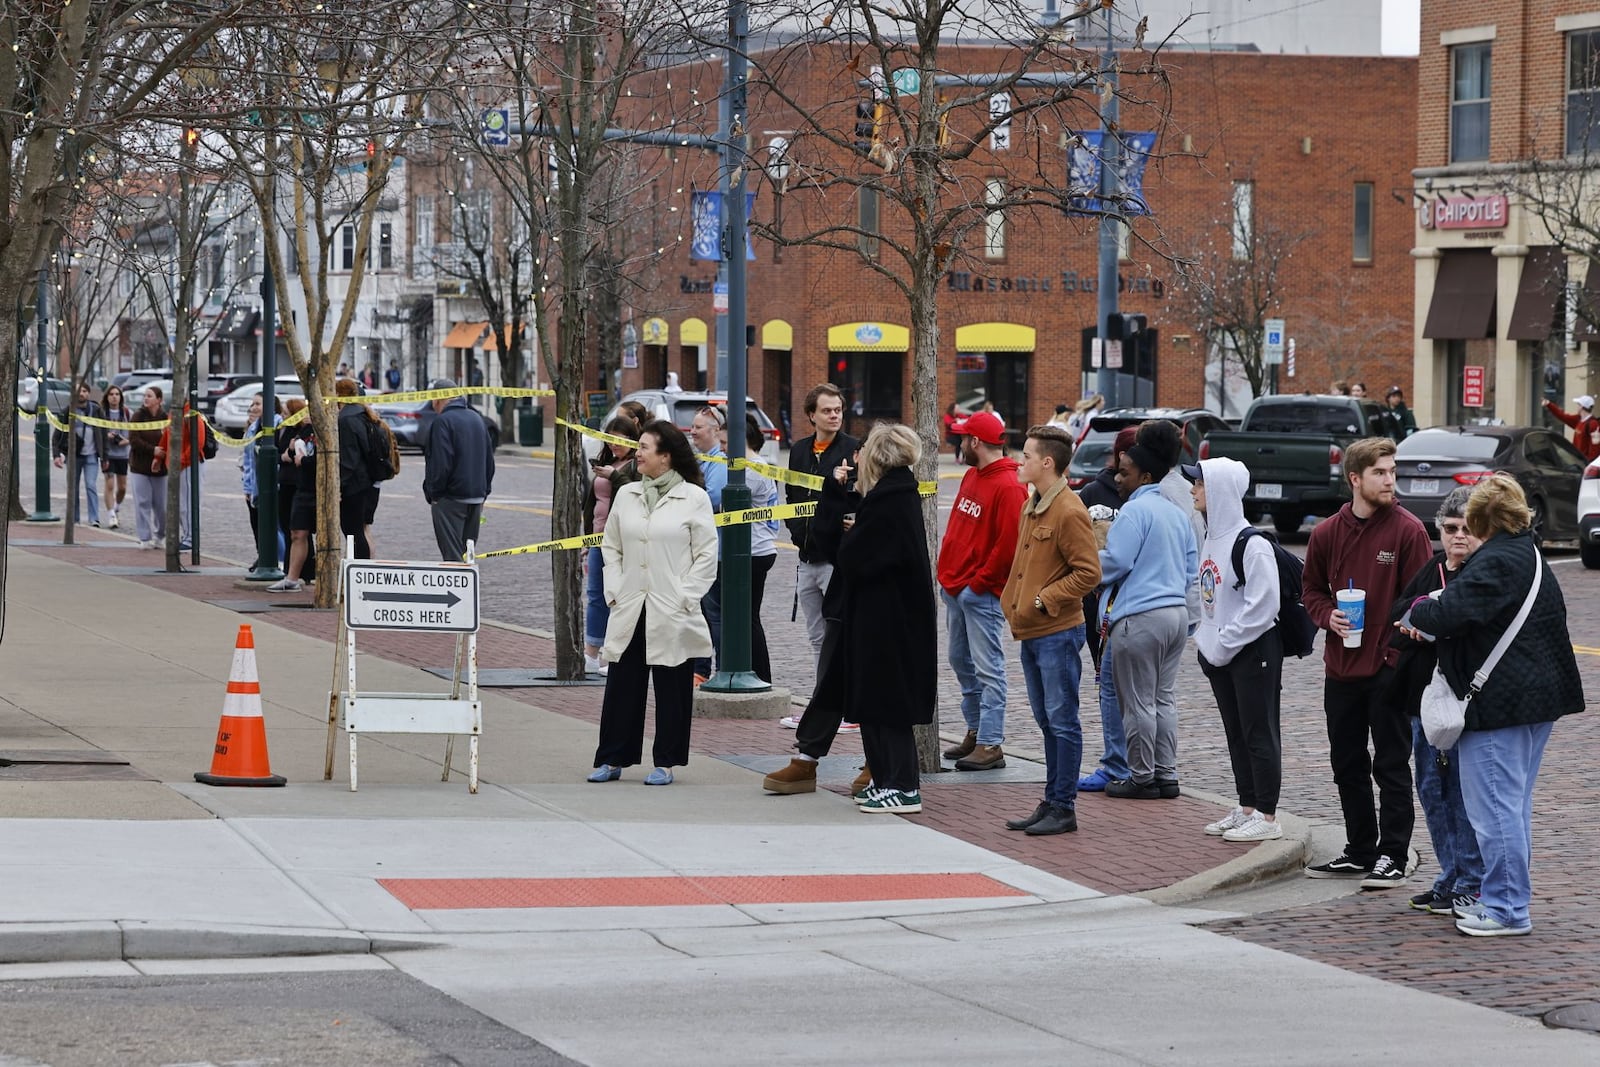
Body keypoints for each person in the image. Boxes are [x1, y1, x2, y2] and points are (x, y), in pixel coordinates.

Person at [1409, 474, 1585, 936]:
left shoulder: (1496, 560)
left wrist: (1419, 608)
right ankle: (1502, 897)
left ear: (1482, 519)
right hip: (1534, 698)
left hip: (1500, 704)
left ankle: (1507, 907)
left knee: (1494, 810)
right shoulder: (1527, 552)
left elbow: (1445, 614)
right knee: (1511, 805)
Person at [1301, 436, 1433, 888]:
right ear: (1355, 478)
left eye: (1393, 472)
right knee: (1347, 763)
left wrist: (1393, 660)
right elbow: (1312, 591)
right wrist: (1327, 616)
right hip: (1340, 668)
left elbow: (1421, 602)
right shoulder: (1325, 533)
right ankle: (1359, 849)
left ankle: (1393, 855)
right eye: (1380, 472)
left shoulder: (1409, 530)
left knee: (1391, 765)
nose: (1390, 480)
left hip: (1387, 670)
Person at [590, 420, 719, 786]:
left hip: (671, 605)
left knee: (672, 686)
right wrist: (614, 589)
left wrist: (686, 595)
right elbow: (611, 545)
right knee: (622, 684)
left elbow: (706, 554)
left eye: (645, 447)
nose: (638, 453)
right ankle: (612, 757)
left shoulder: (693, 497)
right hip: (631, 601)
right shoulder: (627, 493)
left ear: (666, 456)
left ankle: (666, 760)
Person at [999, 425, 1101, 836]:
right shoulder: (1034, 503)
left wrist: (1045, 599)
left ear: (1047, 462)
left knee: (1062, 721)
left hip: (1057, 632)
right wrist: (1016, 603)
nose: (1019, 462)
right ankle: (1052, 799)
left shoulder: (1069, 510)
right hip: (1033, 632)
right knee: (1046, 719)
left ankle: (1064, 805)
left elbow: (1089, 572)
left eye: (1025, 455)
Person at [1389, 486, 1485, 916]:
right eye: (1450, 528)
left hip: (1465, 701)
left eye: (1467, 529)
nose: (1458, 537)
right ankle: (1448, 874)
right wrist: (1417, 619)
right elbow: (1400, 609)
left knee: (1463, 792)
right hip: (1423, 699)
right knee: (1430, 787)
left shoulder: (1483, 572)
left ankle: (1471, 878)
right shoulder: (1432, 569)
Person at [835, 423, 936, 813]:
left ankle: (903, 784)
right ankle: (886, 777)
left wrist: (852, 538)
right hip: (887, 619)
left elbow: (857, 558)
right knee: (878, 704)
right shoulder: (894, 495)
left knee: (887, 704)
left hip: (888, 623)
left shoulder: (889, 500)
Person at [1188, 457, 1285, 842]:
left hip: (1252, 649)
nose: (1193, 490)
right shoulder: (1211, 535)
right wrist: (1207, 642)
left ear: (1219, 489)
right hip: (1221, 652)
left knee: (1259, 730)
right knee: (1236, 732)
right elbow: (1210, 596)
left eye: (1199, 483)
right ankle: (1247, 806)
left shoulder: (1253, 544)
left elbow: (1264, 605)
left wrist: (1224, 642)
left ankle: (1268, 815)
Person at [1097, 432, 1197, 800]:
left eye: (1124, 472)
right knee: (1163, 698)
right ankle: (1166, 773)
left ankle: (1141, 777)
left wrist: (1087, 568)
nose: (1118, 479)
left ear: (1146, 477)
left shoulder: (1134, 511)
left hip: (1139, 616)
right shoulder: (1175, 512)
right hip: (1175, 615)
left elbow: (1116, 561)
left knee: (1137, 701)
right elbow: (1190, 570)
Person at [937, 408, 1028, 771]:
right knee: (961, 661)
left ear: (976, 442)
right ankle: (975, 731)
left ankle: (991, 742)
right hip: (957, 587)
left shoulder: (1008, 486)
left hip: (979, 592)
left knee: (989, 669)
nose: (958, 443)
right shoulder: (973, 475)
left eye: (962, 437)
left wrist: (979, 584)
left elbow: (1008, 546)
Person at [783, 383, 858, 674]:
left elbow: (861, 495)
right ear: (811, 415)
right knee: (817, 637)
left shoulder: (852, 449)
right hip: (805, 557)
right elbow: (792, 495)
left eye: (838, 410)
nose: (834, 416)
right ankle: (822, 705)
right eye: (826, 411)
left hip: (836, 559)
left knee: (842, 633)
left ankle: (847, 706)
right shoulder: (799, 450)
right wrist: (795, 531)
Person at [1077, 426, 1136, 793]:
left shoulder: (1153, 498)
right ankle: (1118, 761)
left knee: (1140, 692)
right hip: (1098, 608)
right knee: (1108, 687)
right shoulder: (1092, 494)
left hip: (1139, 608)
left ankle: (1136, 764)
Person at [583, 416, 641, 674]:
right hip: (598, 539)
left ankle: (615, 653)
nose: (615, 445)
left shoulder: (636, 465)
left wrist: (615, 476)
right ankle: (591, 653)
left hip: (622, 542)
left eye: (621, 439)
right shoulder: (606, 461)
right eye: (611, 438)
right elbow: (591, 502)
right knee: (596, 595)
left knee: (619, 597)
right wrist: (586, 537)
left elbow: (637, 495)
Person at [423, 378, 495, 563]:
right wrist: (484, 491)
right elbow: (489, 461)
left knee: (453, 555)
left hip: (451, 497)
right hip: (476, 497)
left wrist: (434, 493)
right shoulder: (477, 419)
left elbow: (441, 464)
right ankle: (467, 589)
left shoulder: (443, 422)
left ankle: (456, 591)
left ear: (438, 399)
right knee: (467, 553)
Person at [688, 405, 728, 681]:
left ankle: (721, 669)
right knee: (699, 611)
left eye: (698, 427)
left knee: (714, 613)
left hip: (715, 551)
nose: (692, 431)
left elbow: (710, 499)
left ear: (715, 432)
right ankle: (700, 669)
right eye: (692, 426)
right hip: (699, 549)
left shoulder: (719, 463)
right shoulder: (702, 461)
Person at [742, 413, 781, 682]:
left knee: (748, 617)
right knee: (746, 615)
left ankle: (761, 675)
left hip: (755, 549)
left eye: (724, 442)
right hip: (759, 546)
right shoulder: (759, 464)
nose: (721, 448)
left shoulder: (752, 469)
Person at [269, 403, 317, 592]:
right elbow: (289, 451)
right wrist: (293, 452)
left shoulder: (329, 430)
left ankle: (320, 576)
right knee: (297, 532)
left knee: (322, 537)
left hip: (318, 487)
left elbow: (325, 458)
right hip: (302, 488)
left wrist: (303, 460)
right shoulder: (305, 431)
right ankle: (291, 579)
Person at [240, 394, 284, 571]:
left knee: (275, 526)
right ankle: (263, 557)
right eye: (253, 404)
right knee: (258, 525)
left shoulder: (278, 424)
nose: (254, 407)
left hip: (273, 485)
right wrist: (248, 487)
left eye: (258, 403)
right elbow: (248, 460)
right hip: (255, 485)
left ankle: (280, 560)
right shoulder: (253, 427)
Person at [334, 378, 376, 559]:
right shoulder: (362, 414)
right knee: (358, 530)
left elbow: (349, 460)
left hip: (354, 485)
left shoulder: (346, 419)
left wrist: (339, 487)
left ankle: (360, 572)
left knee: (353, 532)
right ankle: (361, 570)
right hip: (365, 481)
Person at [53, 381, 104, 527]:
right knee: (73, 488)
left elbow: (104, 433)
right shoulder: (67, 411)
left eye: (84, 391)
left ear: (88, 393)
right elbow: (56, 436)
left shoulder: (96, 410)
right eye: (78, 391)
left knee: (91, 486)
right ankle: (74, 519)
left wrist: (104, 456)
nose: (81, 394)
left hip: (91, 456)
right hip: (73, 456)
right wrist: (56, 455)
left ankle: (94, 519)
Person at [127, 385, 168, 549]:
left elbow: (170, 437)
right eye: (145, 396)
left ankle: (160, 535)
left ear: (159, 400)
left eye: (150, 396)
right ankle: (144, 537)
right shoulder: (138, 416)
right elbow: (133, 439)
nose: (146, 398)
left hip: (160, 468)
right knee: (142, 502)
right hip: (140, 466)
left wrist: (161, 453)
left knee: (161, 505)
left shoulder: (165, 417)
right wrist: (152, 450)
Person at [100, 384, 132, 528]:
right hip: (108, 454)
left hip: (123, 454)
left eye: (117, 394)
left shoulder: (127, 413)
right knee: (110, 484)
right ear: (107, 397)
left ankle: (117, 506)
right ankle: (111, 514)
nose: (114, 397)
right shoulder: (101, 413)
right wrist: (106, 436)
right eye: (111, 394)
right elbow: (97, 431)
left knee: (123, 487)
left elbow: (133, 433)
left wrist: (124, 441)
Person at [1541, 393, 1600, 461]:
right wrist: (1549, 404)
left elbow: (1595, 448)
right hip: (1577, 460)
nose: (1577, 407)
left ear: (1581, 407)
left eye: (1578, 405)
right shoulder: (1578, 419)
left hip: (1585, 462)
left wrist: (1589, 463)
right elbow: (1563, 416)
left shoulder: (1593, 424)